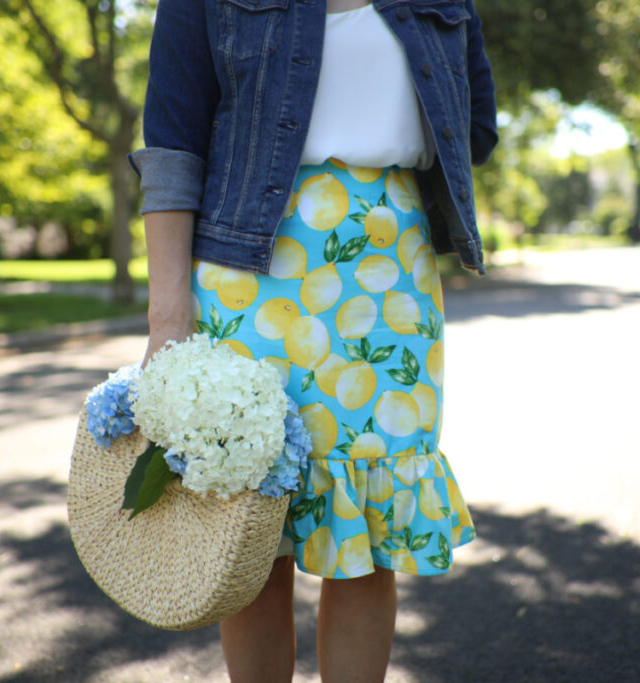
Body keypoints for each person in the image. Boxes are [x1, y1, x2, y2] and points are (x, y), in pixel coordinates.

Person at [129, 0, 497, 679]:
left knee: (368, 538)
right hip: (249, 278)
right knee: (250, 536)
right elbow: (172, 144)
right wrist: (167, 322)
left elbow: (471, 127)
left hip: (389, 283)